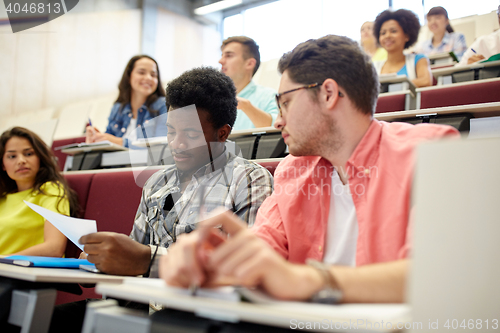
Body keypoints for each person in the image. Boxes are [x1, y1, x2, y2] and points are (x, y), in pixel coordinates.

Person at [159, 35, 459, 304]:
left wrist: (310, 280)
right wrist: (208, 264)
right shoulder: (292, 170)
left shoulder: (431, 151)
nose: (277, 121)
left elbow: (439, 274)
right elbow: (263, 254)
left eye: (285, 103)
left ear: (328, 94)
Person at [78, 67, 273, 277]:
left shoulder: (250, 180)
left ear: (222, 133)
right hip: (141, 302)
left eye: (190, 134)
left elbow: (244, 266)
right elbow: (133, 256)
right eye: (171, 131)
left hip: (199, 306)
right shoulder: (156, 182)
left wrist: (148, 260)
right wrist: (105, 261)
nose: (177, 144)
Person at [0, 127, 79, 256]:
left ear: (40, 158)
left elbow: (54, 248)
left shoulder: (51, 189)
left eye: (28, 154)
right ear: (3, 164)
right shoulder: (3, 197)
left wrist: (4, 261)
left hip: (23, 271)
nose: (21, 161)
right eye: (12, 156)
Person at [85, 55, 168, 148]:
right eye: (141, 72)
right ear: (129, 76)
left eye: (153, 75)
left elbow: (160, 146)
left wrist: (119, 142)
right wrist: (97, 138)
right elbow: (109, 139)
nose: (148, 78)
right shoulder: (118, 108)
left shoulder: (163, 105)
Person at [219, 36, 278, 130]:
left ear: (250, 64)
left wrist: (246, 107)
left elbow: (277, 129)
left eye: (229, 55)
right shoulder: (214, 99)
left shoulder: (269, 97)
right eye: (222, 55)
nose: (220, 61)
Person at [373, 9, 433, 87]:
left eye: (393, 31)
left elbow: (426, 81)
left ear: (407, 36)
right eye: (383, 33)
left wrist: (389, 87)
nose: (387, 36)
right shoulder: (374, 67)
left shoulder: (419, 60)